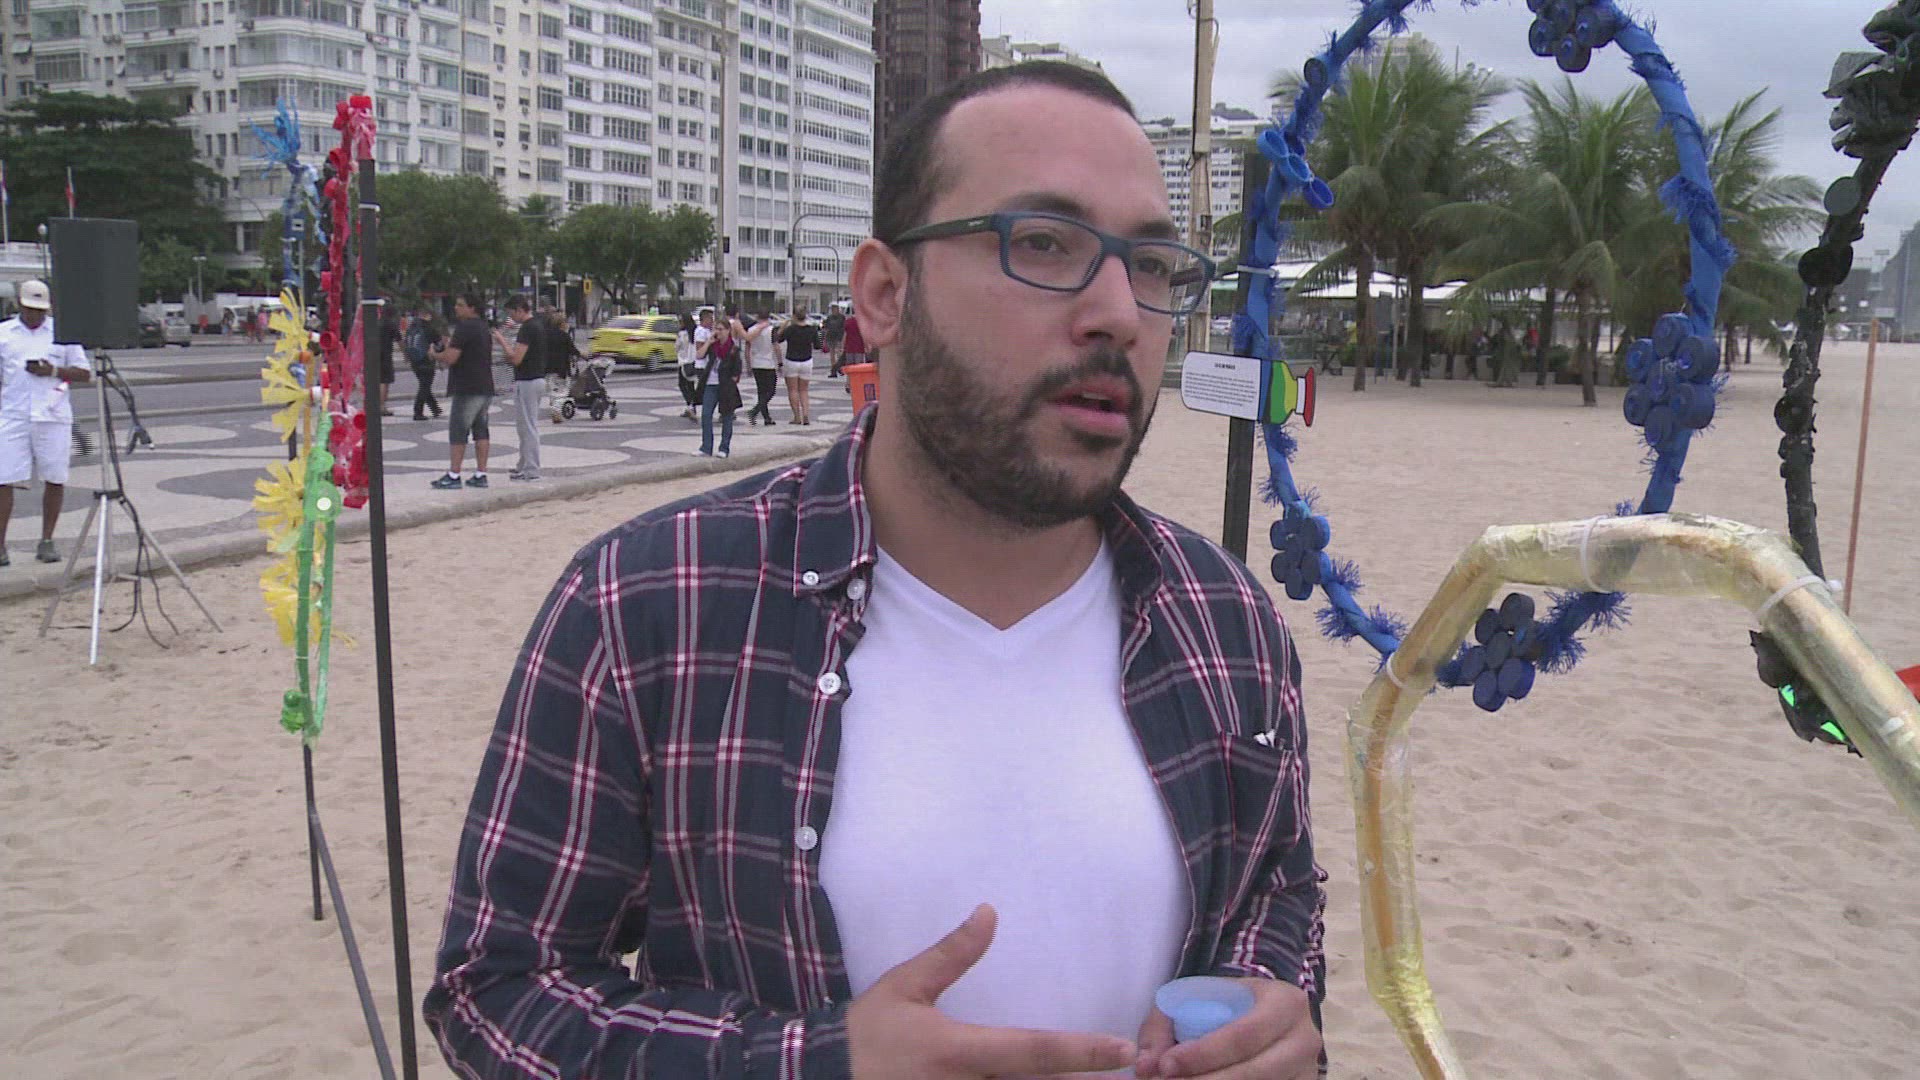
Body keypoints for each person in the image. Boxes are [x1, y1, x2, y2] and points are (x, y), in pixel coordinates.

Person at [426, 60, 1324, 1080]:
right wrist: (812, 1064)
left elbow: (1280, 892)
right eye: (1043, 242)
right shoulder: (649, 603)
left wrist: (1272, 998)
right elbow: (500, 990)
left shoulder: (1226, 619)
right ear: (886, 295)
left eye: (1152, 265)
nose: (1120, 312)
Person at [0, 280, 94, 567]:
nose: (35, 315)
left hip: (52, 415)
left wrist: (52, 370)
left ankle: (47, 539)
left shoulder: (63, 333)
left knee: (55, 477)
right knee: (3, 478)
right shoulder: (4, 333)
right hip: (13, 414)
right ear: (19, 305)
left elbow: (84, 373)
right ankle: (0, 545)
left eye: (40, 310)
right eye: (30, 309)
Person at [428, 294, 494, 489]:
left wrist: (435, 354)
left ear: (472, 308)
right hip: (484, 385)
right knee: (481, 430)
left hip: (467, 386)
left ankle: (454, 474)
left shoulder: (464, 328)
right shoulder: (483, 327)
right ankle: (481, 473)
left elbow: (451, 358)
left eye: (460, 305)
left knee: (458, 430)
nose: (456, 308)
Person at [493, 296, 547, 481]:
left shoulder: (527, 328)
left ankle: (531, 469)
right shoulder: (537, 325)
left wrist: (501, 341)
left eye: (511, 313)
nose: (511, 318)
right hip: (536, 378)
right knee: (525, 427)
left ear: (519, 309)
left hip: (527, 380)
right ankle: (523, 465)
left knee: (528, 427)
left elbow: (516, 358)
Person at [699, 309, 743, 457]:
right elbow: (699, 355)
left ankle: (724, 448)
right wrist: (708, 342)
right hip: (710, 384)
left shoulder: (733, 349)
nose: (718, 332)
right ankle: (706, 447)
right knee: (706, 415)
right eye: (715, 329)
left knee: (727, 417)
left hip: (725, 386)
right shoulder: (713, 346)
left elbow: (737, 372)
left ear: (728, 331)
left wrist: (730, 383)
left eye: (720, 329)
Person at [773, 302, 821, 424]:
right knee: (804, 390)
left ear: (794, 315)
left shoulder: (790, 329)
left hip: (792, 360)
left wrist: (783, 327)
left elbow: (778, 339)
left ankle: (797, 417)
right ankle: (806, 415)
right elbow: (817, 345)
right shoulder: (811, 329)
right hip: (807, 360)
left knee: (793, 390)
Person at [404, 305, 443, 421]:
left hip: (414, 361)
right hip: (427, 360)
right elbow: (439, 344)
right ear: (427, 315)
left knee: (424, 385)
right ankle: (418, 412)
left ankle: (435, 408)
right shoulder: (429, 328)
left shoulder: (411, 327)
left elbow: (406, 343)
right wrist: (441, 358)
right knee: (425, 386)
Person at [743, 305, 781, 425]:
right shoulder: (771, 330)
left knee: (761, 391)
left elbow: (747, 349)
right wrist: (780, 362)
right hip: (768, 363)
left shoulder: (751, 330)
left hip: (756, 363)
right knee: (771, 391)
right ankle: (755, 411)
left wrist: (748, 365)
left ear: (756, 316)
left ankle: (766, 417)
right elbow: (776, 347)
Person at [674, 311, 705, 421]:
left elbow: (677, 347)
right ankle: (692, 407)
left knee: (682, 385)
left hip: (684, 362)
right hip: (694, 361)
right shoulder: (696, 331)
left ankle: (691, 405)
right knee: (690, 385)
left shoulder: (682, 334)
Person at [823, 303, 847, 376]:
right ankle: (833, 369)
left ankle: (840, 368)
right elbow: (826, 328)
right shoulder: (829, 318)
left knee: (839, 353)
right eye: (833, 309)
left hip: (839, 337)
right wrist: (825, 338)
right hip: (831, 337)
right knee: (832, 354)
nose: (834, 310)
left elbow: (844, 328)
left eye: (835, 309)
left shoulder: (842, 317)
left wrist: (843, 338)